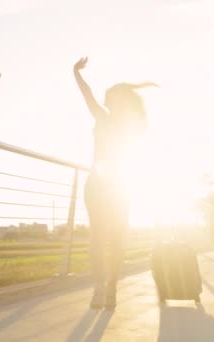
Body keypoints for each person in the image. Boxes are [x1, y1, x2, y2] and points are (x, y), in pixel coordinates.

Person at [73, 56, 155, 309]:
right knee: (109, 238)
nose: (105, 101)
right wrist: (77, 74)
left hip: (107, 183)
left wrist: (76, 73)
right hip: (113, 184)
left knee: (104, 238)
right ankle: (105, 288)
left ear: (120, 101)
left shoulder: (112, 120)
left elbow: (87, 95)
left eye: (109, 97)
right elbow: (87, 94)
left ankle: (106, 288)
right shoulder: (130, 124)